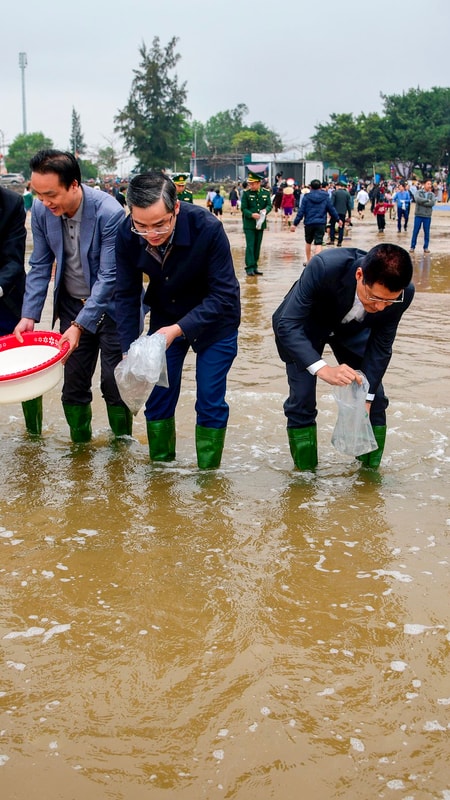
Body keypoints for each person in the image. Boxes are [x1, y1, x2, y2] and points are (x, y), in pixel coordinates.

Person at [114, 171, 240, 469]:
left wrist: (178, 329)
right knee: (158, 397)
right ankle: (162, 473)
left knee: (209, 399)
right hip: (165, 317)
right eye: (141, 225)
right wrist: (128, 347)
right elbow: (127, 294)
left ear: (176, 209)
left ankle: (208, 478)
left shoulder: (207, 228)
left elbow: (223, 295)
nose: (152, 234)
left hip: (215, 322)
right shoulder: (126, 234)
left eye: (160, 224)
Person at [14, 149, 130, 443]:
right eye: (38, 194)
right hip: (70, 306)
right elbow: (40, 264)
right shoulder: (41, 211)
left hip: (113, 310)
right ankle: (80, 452)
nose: (44, 202)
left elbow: (109, 277)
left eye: (50, 194)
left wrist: (80, 326)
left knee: (113, 384)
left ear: (74, 185)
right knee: (74, 386)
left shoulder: (109, 213)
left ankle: (121, 450)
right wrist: (29, 316)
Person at [272, 243, 414, 470]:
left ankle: (368, 479)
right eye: (375, 297)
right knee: (302, 400)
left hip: (350, 332)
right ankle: (305, 477)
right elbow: (287, 324)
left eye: (389, 301)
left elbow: (381, 347)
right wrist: (324, 369)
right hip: (304, 329)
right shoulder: (324, 266)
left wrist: (366, 399)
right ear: (360, 275)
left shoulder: (403, 295)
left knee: (374, 399)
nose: (379, 307)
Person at [0, 185, 41, 434]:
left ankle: (33, 432)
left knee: (26, 369)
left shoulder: (11, 203)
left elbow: (14, 260)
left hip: (6, 300)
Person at [290, 178, 342, 265]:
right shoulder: (325, 196)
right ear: (320, 187)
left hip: (309, 223)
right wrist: (338, 219)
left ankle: (308, 261)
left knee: (308, 242)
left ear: (310, 187)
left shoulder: (306, 197)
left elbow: (301, 211)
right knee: (318, 242)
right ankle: (316, 263)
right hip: (321, 223)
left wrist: (295, 224)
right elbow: (331, 209)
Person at [240, 170, 272, 276]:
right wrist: (251, 214)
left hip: (260, 224)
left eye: (253, 184)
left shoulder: (265, 193)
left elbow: (269, 205)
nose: (251, 186)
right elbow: (243, 208)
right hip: (249, 224)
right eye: (250, 183)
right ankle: (249, 267)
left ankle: (255, 266)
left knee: (257, 246)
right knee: (250, 245)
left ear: (258, 183)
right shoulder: (246, 194)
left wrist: (265, 211)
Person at [409, 179, 436, 253]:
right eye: (428, 184)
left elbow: (432, 203)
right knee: (415, 231)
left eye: (430, 184)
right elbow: (417, 200)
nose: (429, 185)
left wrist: (423, 202)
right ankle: (412, 246)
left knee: (426, 232)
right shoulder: (418, 192)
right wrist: (427, 200)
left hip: (427, 215)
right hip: (418, 215)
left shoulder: (432, 194)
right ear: (424, 184)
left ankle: (426, 247)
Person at [329, 179, 352, 246]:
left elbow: (331, 204)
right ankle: (339, 242)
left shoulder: (334, 193)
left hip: (334, 213)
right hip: (343, 213)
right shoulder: (347, 194)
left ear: (339, 186)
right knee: (341, 227)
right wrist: (349, 215)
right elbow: (349, 206)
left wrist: (330, 213)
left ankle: (332, 240)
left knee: (332, 226)